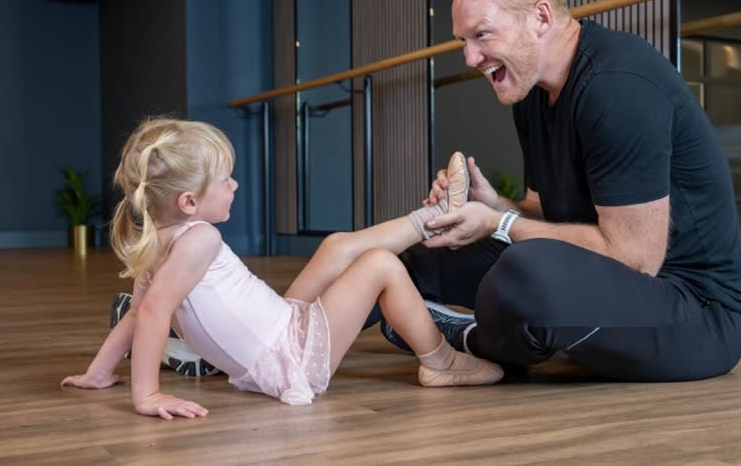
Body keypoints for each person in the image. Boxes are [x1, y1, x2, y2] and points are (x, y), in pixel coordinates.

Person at [381, 0, 741, 382]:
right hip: (606, 280)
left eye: (482, 35)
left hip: (695, 313)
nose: (470, 58)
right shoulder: (531, 90)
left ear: (540, 17)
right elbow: (546, 214)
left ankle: (458, 340)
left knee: (525, 275)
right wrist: (497, 206)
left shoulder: (617, 87)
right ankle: (301, 340)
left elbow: (634, 258)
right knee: (423, 252)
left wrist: (498, 225)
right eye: (463, 41)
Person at [61, 117, 503, 419]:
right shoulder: (200, 239)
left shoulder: (160, 245)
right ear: (189, 203)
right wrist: (147, 395)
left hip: (281, 330)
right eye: (226, 180)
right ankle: (440, 361)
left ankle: (432, 217)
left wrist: (99, 372)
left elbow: (137, 314)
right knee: (381, 266)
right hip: (291, 358)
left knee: (334, 247)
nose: (235, 185)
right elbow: (153, 314)